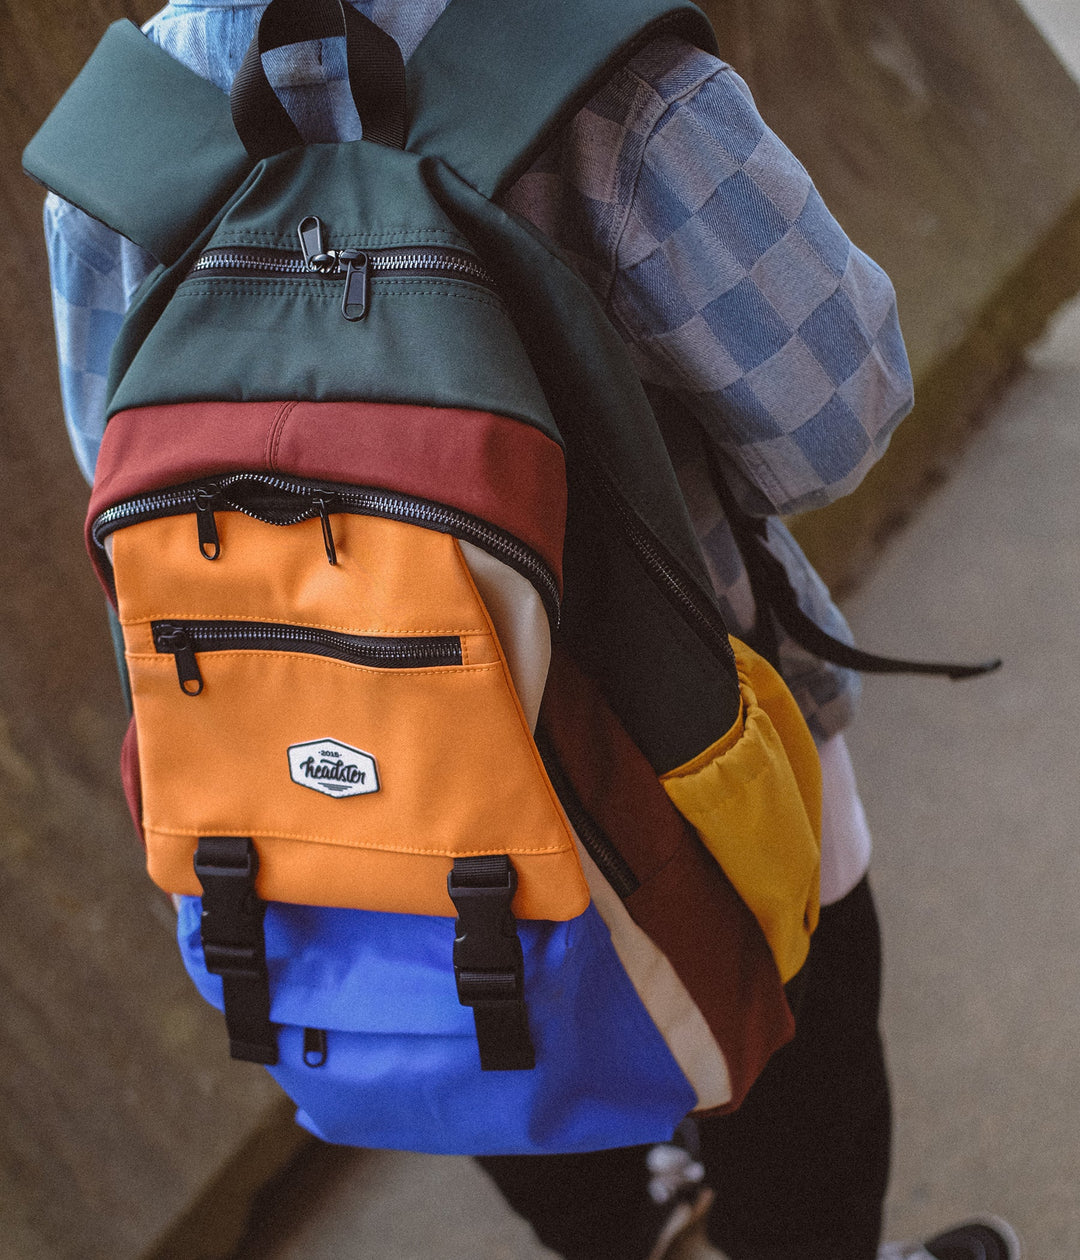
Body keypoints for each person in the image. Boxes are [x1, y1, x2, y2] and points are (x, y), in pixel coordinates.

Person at [42, 2, 1021, 1258]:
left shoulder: (126, 132)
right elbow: (835, 415)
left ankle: (639, 1238)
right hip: (692, 741)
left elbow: (112, 473)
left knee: (489, 1042)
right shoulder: (601, 76)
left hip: (343, 813)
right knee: (793, 1068)